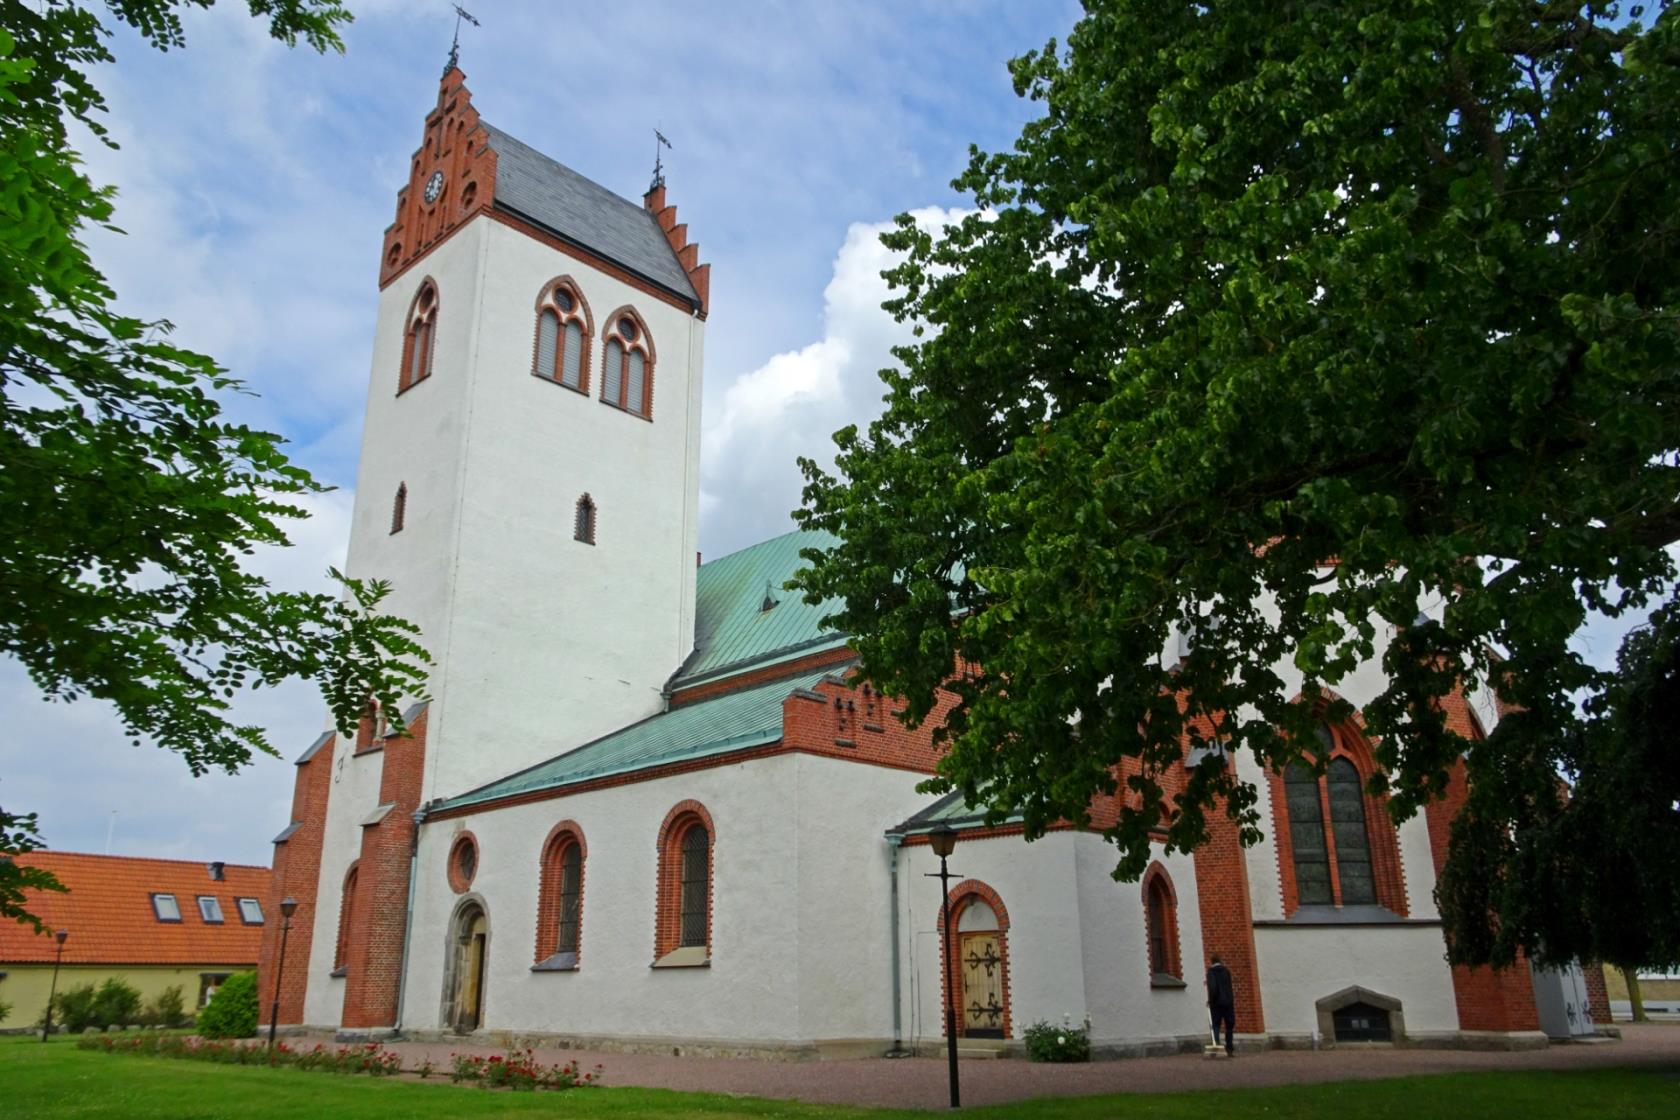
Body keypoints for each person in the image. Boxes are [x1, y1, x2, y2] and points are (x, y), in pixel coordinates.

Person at [1206, 953, 1235, 1056]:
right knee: (1229, 1026)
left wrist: (1210, 1000)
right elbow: (1229, 987)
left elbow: (1213, 988)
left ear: (1212, 961)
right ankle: (1229, 1048)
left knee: (1216, 1025)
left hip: (1216, 1003)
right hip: (1228, 1002)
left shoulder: (1211, 972)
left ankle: (1217, 1048)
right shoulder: (1226, 971)